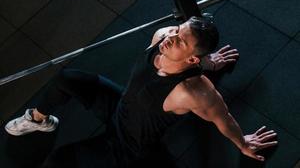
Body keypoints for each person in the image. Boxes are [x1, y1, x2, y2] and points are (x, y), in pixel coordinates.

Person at [5, 16, 277, 167]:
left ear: (192, 60)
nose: (170, 38)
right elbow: (187, 45)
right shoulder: (161, 37)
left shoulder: (193, 92)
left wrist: (242, 143)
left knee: (57, 162)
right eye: (176, 30)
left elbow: (223, 118)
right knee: (69, 78)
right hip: (119, 106)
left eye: (180, 40)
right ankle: (38, 121)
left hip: (130, 145)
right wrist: (210, 61)